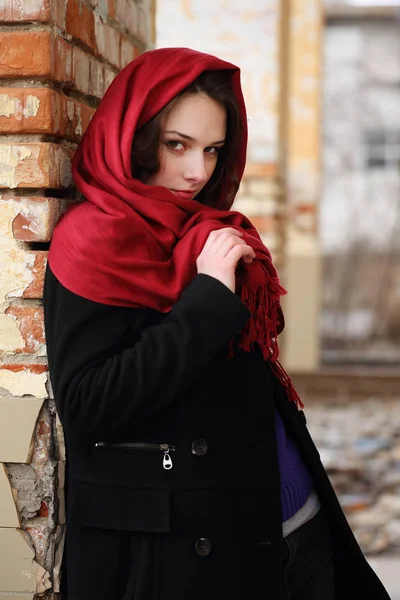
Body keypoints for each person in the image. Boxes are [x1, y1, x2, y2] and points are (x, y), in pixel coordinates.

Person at [43, 47, 391, 600]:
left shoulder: (210, 229)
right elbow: (89, 405)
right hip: (188, 554)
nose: (197, 172)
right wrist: (206, 296)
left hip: (293, 523)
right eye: (176, 145)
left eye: (213, 150)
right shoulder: (93, 242)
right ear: (133, 135)